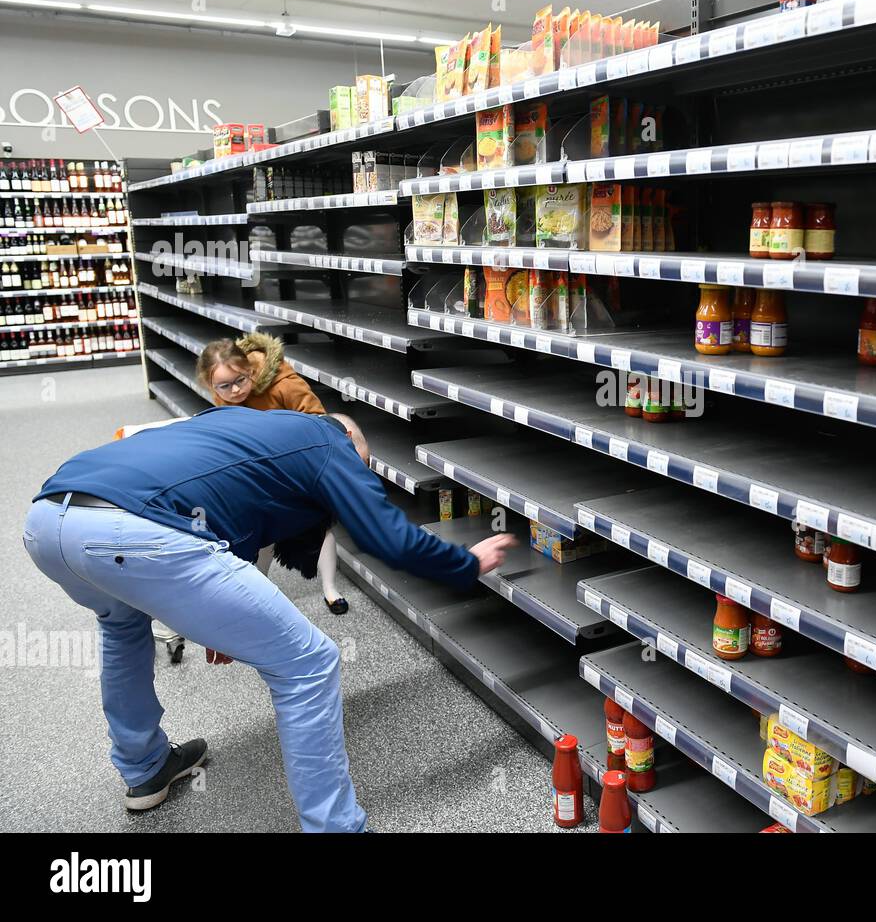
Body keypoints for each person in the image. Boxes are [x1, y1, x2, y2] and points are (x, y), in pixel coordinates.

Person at [24, 407, 515, 832]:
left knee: (122, 628)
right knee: (309, 662)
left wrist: (219, 620)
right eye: (359, 467)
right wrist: (466, 564)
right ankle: (335, 826)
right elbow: (388, 538)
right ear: (350, 441)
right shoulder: (329, 442)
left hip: (49, 521)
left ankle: (145, 768)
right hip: (131, 535)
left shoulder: (243, 424)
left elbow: (220, 505)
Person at [196, 332, 350, 615]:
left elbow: (319, 422)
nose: (234, 391)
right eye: (223, 387)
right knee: (262, 533)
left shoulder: (284, 384)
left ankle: (331, 589)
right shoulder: (224, 395)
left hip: (300, 467)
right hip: (262, 473)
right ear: (211, 385)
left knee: (320, 527)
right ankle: (261, 590)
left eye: (241, 380)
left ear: (250, 369)